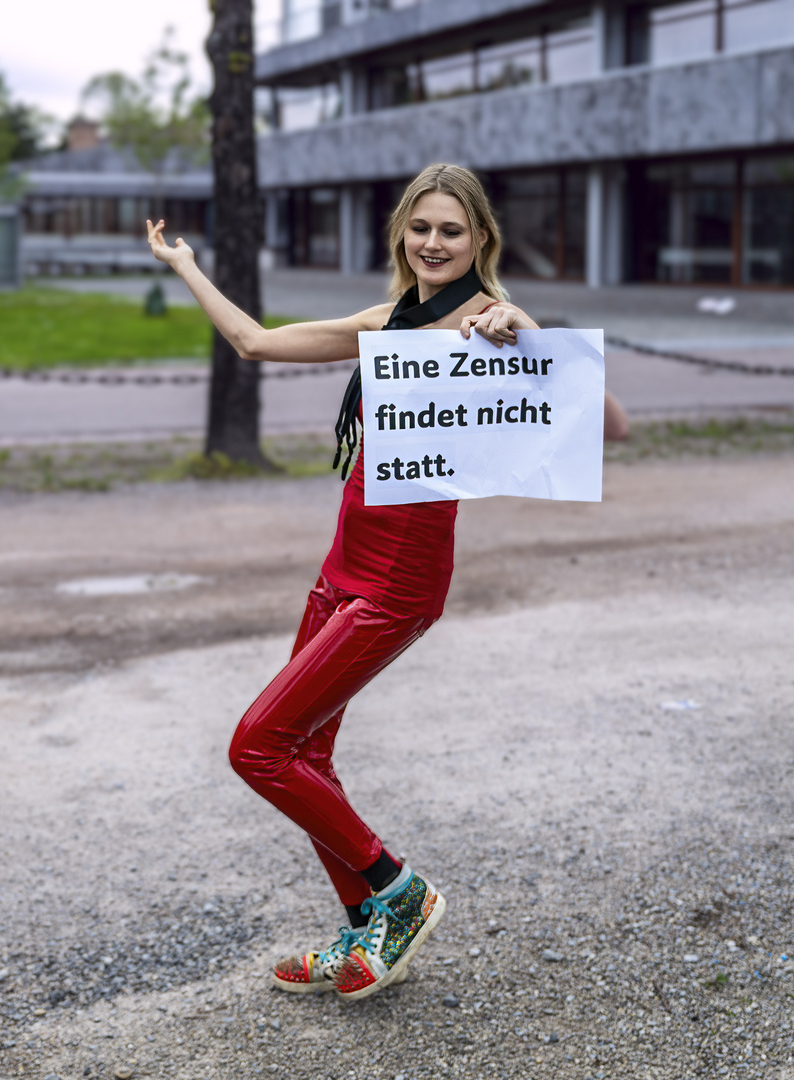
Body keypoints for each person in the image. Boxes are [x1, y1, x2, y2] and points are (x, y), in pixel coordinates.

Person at [147, 162, 627, 1004]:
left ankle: (397, 892)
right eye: (421, 227)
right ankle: (364, 929)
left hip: (400, 581)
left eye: (452, 230)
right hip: (340, 568)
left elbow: (611, 424)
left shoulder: (492, 325)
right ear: (402, 233)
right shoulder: (387, 322)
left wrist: (526, 331)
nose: (434, 243)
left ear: (480, 238)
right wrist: (187, 266)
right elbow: (254, 342)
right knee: (307, 756)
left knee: (256, 746)